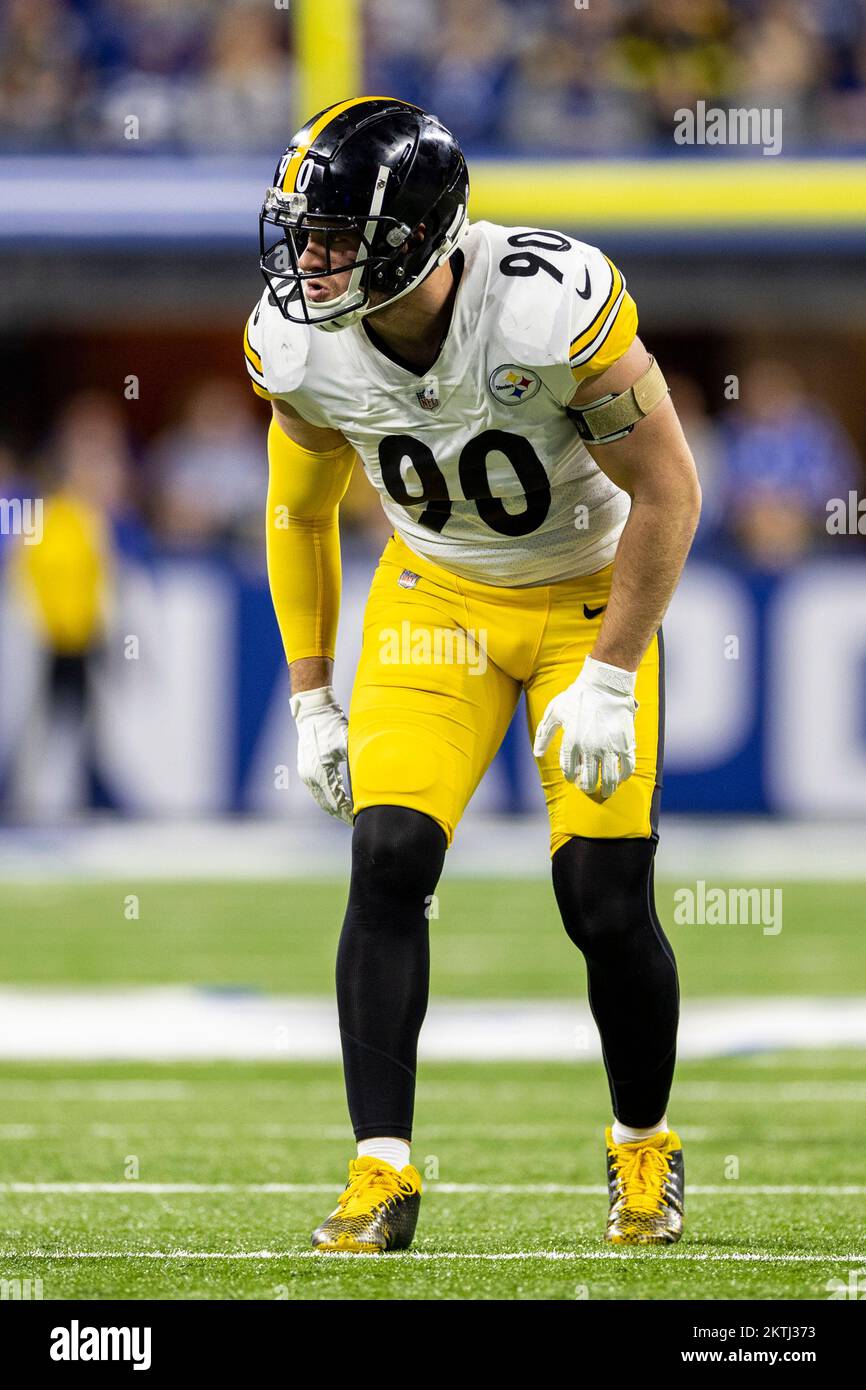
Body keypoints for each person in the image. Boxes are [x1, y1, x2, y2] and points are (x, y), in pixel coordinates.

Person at [243, 97, 701, 1252]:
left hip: (584, 596)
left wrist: (610, 670)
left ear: (419, 236)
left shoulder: (548, 308)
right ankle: (379, 1170)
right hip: (435, 595)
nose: (310, 257)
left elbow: (670, 489)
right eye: (303, 232)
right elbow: (298, 515)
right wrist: (309, 693)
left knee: (600, 896)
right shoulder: (300, 340)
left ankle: (641, 1148)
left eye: (337, 234)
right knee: (388, 854)